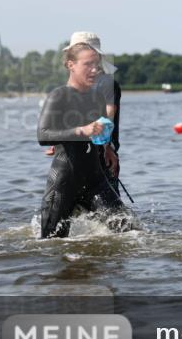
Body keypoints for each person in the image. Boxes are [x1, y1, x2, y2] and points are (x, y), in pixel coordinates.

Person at [38, 42, 131, 238]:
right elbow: (43, 134)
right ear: (71, 65)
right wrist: (81, 130)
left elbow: (96, 134)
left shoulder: (97, 97)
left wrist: (107, 148)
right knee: (50, 243)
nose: (95, 69)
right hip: (65, 180)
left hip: (95, 179)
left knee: (130, 233)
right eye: (88, 64)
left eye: (97, 64)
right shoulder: (59, 95)